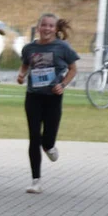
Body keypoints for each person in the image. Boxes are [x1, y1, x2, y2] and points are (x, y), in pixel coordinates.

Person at [16, 13, 78, 194]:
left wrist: (63, 84)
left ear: (56, 29)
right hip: (33, 97)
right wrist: (21, 75)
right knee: (34, 137)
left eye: (51, 26)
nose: (47, 29)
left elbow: (73, 69)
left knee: (48, 138)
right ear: (38, 27)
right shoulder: (29, 48)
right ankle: (36, 180)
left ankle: (49, 145)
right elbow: (25, 65)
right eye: (44, 25)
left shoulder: (62, 47)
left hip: (53, 97)